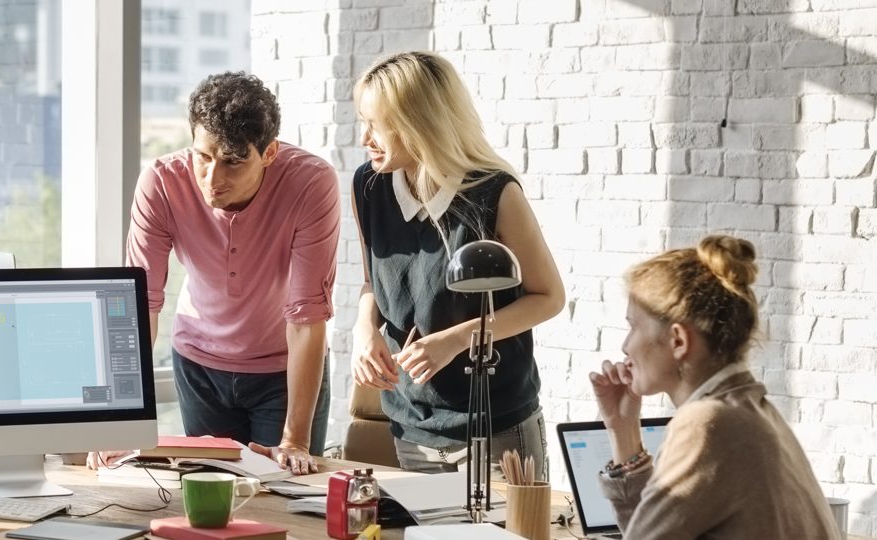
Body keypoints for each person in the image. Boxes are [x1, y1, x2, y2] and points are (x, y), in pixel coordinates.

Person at [348, 51, 565, 478]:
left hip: (496, 429)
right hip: (411, 428)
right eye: (362, 121)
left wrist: (455, 340)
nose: (364, 138)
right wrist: (363, 330)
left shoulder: (496, 194)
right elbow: (374, 280)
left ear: (418, 122)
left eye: (376, 125)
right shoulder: (368, 186)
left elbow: (549, 297)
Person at [122, 71, 340, 475]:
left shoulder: (312, 183)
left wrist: (295, 440)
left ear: (269, 153)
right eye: (203, 156)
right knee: (208, 491)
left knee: (285, 490)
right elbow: (140, 307)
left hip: (283, 370)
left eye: (233, 161)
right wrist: (120, 425)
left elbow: (308, 315)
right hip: (199, 366)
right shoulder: (161, 183)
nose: (212, 179)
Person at [590, 235, 841, 539]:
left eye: (633, 326)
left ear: (678, 341)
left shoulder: (708, 423)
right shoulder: (753, 412)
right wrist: (623, 429)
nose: (625, 346)